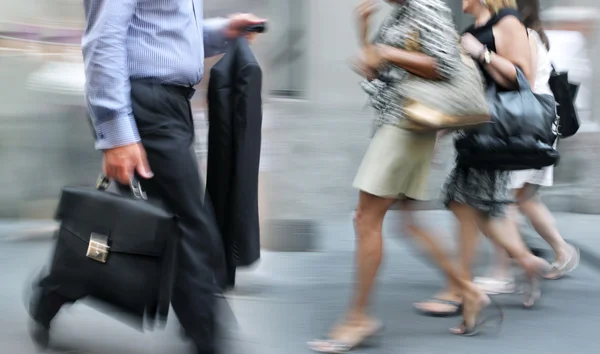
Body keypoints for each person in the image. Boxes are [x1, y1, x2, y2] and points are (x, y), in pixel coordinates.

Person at [27, 1, 265, 354]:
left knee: (159, 226)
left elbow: (160, 33)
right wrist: (116, 132)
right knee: (189, 229)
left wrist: (221, 32)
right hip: (144, 104)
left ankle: (59, 286)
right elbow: (104, 39)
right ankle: (209, 338)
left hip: (170, 105)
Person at [308, 1, 499, 352]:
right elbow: (376, 70)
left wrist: (385, 51)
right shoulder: (401, 13)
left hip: (407, 125)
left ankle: (358, 318)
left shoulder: (428, 5)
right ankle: (469, 291)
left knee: (366, 219)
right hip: (399, 120)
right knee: (408, 221)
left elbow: (444, 65)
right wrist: (364, 33)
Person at [414, 0, 551, 316]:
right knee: (471, 207)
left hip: (498, 134)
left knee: (468, 208)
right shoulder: (475, 29)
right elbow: (472, 90)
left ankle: (461, 289)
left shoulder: (507, 22)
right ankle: (524, 262)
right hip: (477, 132)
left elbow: (523, 79)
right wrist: (441, 131)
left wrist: (481, 52)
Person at [471, 0, 579, 294]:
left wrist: (484, 55)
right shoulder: (533, 34)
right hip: (538, 127)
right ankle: (562, 252)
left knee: (505, 200)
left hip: (525, 127)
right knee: (525, 198)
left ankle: (503, 272)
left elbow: (522, 82)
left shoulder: (521, 34)